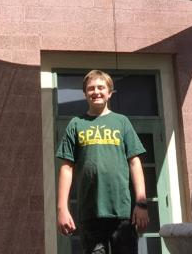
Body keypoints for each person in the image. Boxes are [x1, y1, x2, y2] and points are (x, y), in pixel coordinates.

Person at [56, 70, 149, 254]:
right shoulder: (76, 124)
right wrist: (61, 208)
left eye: (101, 87)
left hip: (122, 212)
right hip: (90, 212)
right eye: (91, 88)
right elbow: (67, 168)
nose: (96, 92)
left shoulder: (122, 122)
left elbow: (134, 163)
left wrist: (141, 204)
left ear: (109, 92)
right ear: (84, 93)